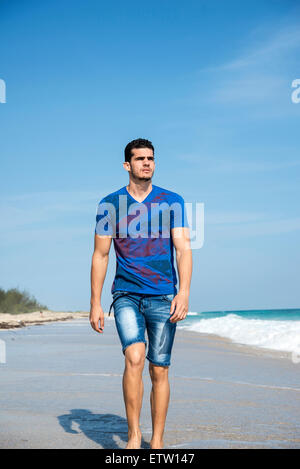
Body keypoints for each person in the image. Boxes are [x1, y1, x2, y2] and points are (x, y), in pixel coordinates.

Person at [90, 138, 192, 449]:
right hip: (126, 294)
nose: (146, 163)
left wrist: (184, 292)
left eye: (150, 158)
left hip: (163, 295)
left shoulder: (172, 201)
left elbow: (183, 249)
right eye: (139, 159)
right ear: (127, 165)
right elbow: (101, 255)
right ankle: (134, 436)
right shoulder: (109, 204)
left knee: (159, 367)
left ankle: (157, 441)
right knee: (134, 357)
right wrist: (95, 303)